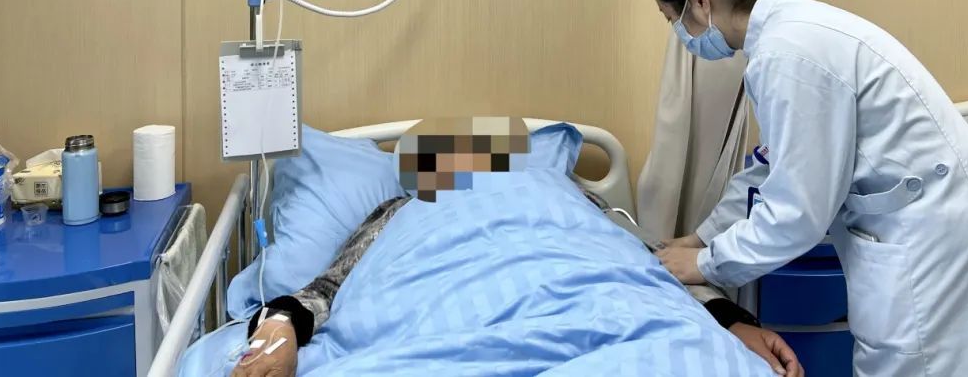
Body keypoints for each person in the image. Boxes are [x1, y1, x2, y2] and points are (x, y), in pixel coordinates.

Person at [649, 0, 968, 377]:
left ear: (699, 1)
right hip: (923, 234)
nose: (681, 35)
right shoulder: (788, 35)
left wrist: (706, 264)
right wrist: (702, 237)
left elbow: (797, 212)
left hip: (931, 250)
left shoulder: (788, 55)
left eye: (673, 20)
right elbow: (770, 166)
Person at [232, 123, 804, 376]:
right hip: (441, 298)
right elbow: (327, 287)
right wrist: (280, 328)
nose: (470, 166)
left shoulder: (571, 196)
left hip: (595, 297)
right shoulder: (399, 210)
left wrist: (731, 320)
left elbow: (647, 264)